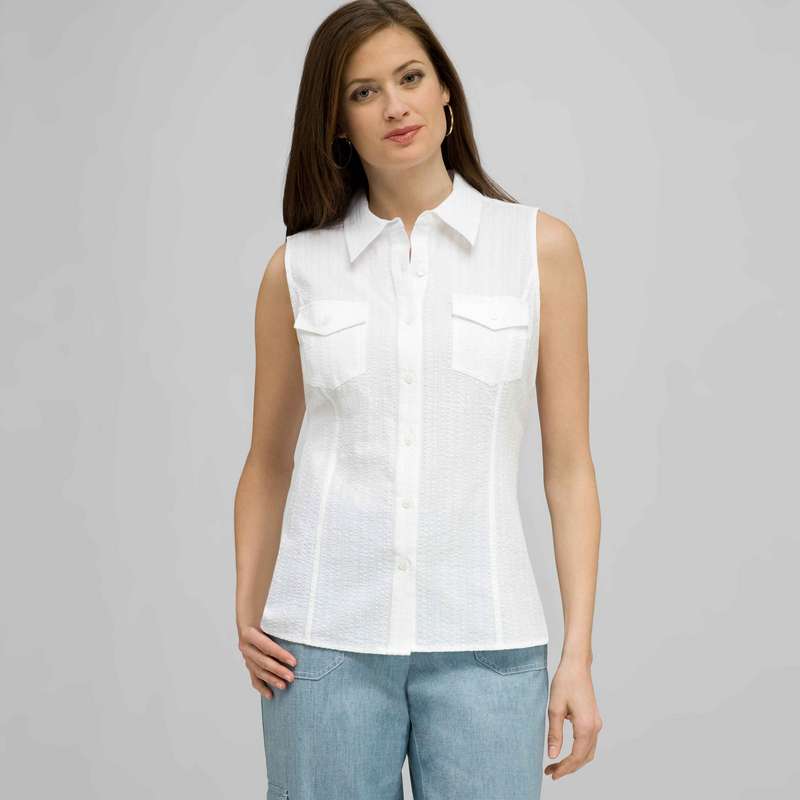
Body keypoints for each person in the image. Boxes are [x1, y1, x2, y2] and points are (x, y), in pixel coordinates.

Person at [234, 2, 602, 797]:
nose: (395, 106)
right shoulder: (296, 270)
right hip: (322, 643)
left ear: (446, 94)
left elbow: (569, 468)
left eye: (410, 78)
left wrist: (577, 652)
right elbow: (266, 462)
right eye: (364, 92)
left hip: (488, 641)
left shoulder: (538, 250)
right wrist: (247, 611)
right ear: (337, 124)